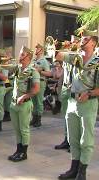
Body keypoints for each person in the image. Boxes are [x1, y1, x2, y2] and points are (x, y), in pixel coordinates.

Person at [56, 29, 98, 180]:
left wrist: (90, 93)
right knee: (73, 139)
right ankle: (73, 169)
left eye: (85, 38)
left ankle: (82, 172)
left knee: (85, 140)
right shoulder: (76, 58)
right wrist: (60, 44)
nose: (82, 41)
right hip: (72, 102)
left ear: (93, 42)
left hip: (88, 104)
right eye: (81, 39)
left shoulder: (97, 62)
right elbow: (58, 55)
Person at [8, 46, 40, 162]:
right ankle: (18, 150)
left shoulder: (33, 71)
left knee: (24, 129)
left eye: (22, 55)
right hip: (14, 103)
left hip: (24, 103)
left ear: (28, 57)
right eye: (20, 54)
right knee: (17, 129)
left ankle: (24, 153)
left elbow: (36, 89)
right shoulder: (18, 69)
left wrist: (24, 96)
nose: (20, 57)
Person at [30, 44, 51, 127]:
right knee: (33, 101)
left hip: (40, 82)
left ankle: (38, 119)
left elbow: (49, 73)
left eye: (37, 49)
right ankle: (34, 118)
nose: (35, 50)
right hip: (33, 82)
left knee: (39, 101)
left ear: (41, 51)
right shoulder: (34, 60)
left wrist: (40, 71)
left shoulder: (44, 61)